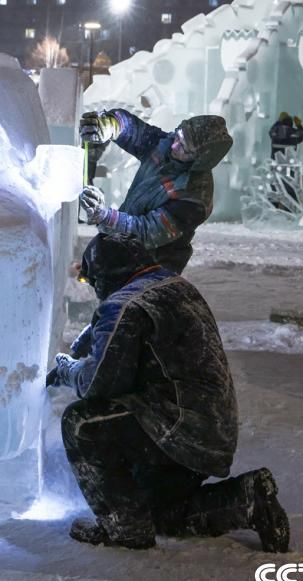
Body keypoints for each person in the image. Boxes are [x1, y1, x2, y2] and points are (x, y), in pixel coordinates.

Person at [50, 233, 290, 552]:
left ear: (106, 274)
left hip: (175, 431)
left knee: (81, 424)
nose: (93, 288)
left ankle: (125, 529)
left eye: (90, 279)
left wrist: (66, 368)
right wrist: (90, 338)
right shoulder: (171, 285)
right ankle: (247, 499)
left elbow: (98, 384)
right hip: (210, 433)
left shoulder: (125, 304)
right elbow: (120, 330)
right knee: (159, 514)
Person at [77, 109, 233, 274]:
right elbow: (133, 130)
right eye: (178, 136)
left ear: (199, 160)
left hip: (153, 268)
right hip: (121, 252)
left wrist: (105, 216)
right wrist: (109, 125)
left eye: (184, 148)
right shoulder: (164, 146)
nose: (174, 145)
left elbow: (146, 232)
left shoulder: (193, 200)